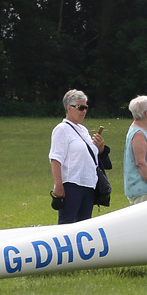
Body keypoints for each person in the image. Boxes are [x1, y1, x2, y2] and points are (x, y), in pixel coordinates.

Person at [49, 89, 108, 224]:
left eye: (86, 107)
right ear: (69, 108)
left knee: (85, 224)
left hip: (89, 184)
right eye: (80, 107)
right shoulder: (61, 129)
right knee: (67, 224)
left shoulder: (83, 130)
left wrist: (100, 147)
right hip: (72, 184)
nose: (84, 111)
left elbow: (90, 155)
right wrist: (58, 185)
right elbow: (55, 158)